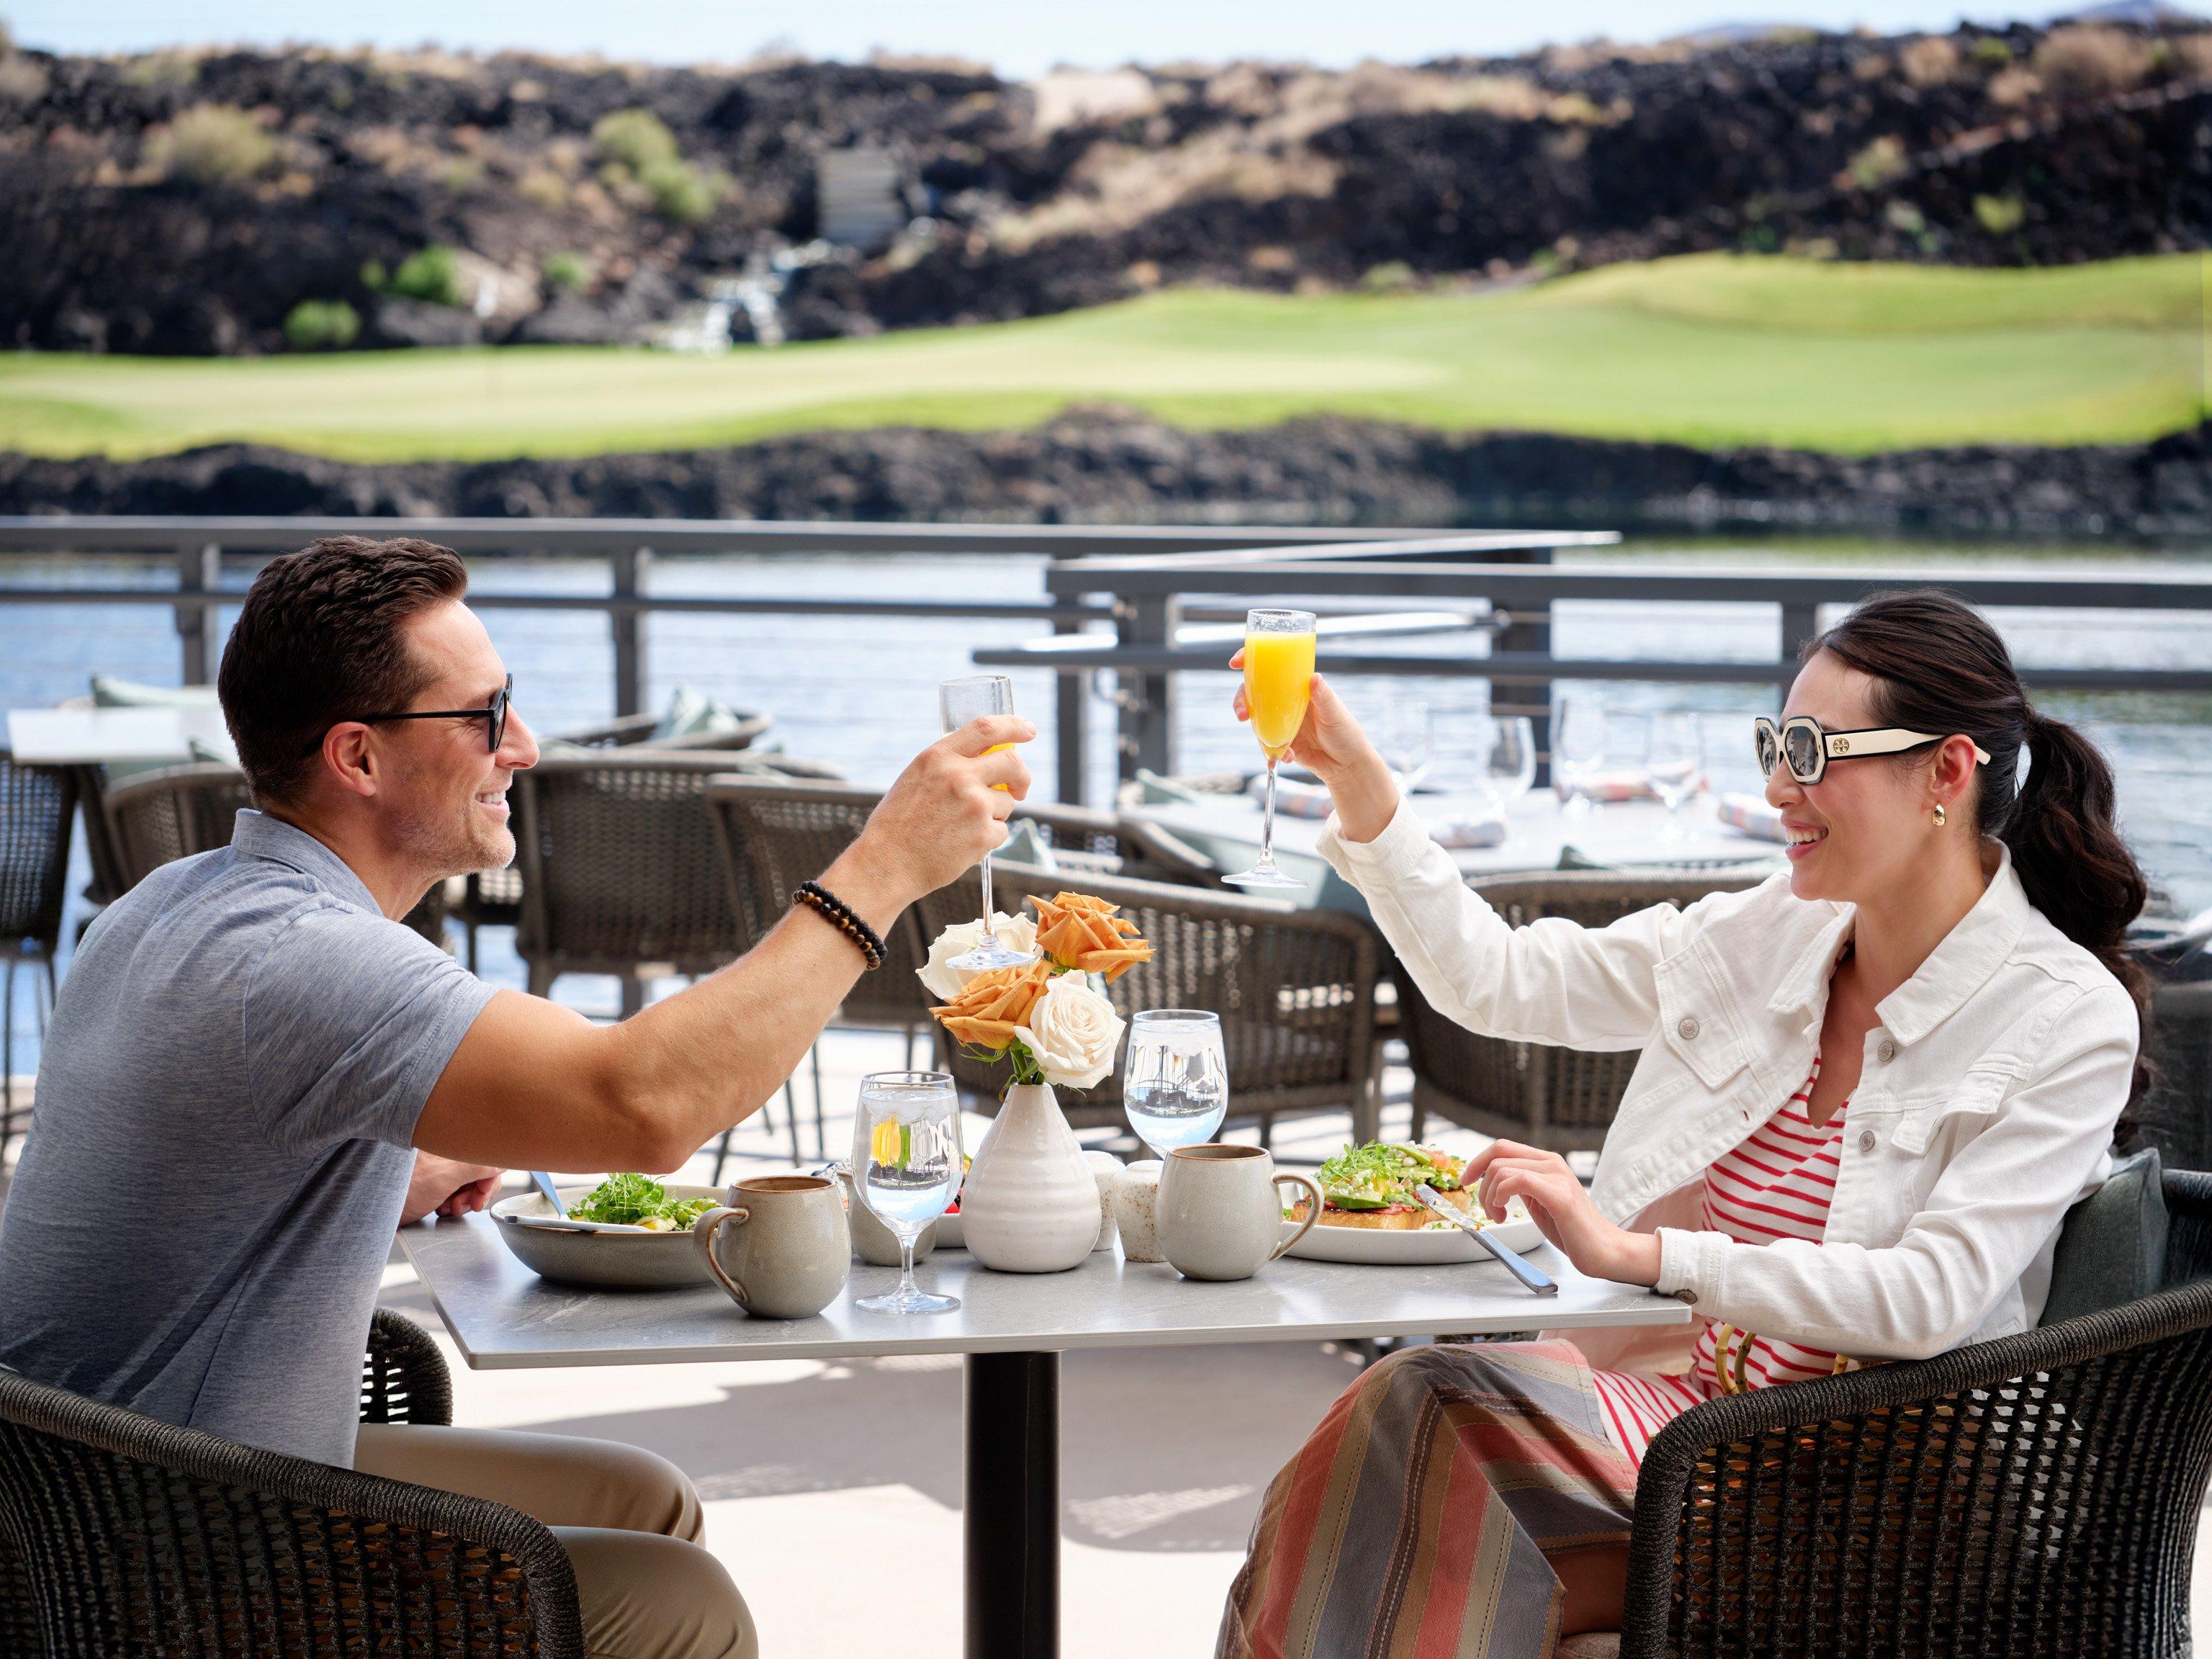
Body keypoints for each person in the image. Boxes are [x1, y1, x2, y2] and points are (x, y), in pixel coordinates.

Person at [0, 535, 1032, 1659]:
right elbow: (647, 1102)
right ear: (358, 757)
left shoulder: (174, 903)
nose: (525, 749)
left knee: (639, 1498)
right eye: (486, 718)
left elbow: (194, 1170)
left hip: (89, 1490)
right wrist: (882, 868)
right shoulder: (303, 959)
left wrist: (393, 1170)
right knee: (680, 1601)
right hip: (150, 1561)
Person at [1215, 590, 2146, 1659]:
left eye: (1813, 750)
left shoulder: (2066, 1017)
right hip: (1682, 1435)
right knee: (1408, 1498)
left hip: (1881, 1484)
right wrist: (1358, 783)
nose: (1777, 787)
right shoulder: (1773, 929)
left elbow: (1932, 1297)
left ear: (1947, 771)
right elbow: (1503, 980)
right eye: (1774, 743)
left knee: (1421, 1406)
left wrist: (1640, 1254)